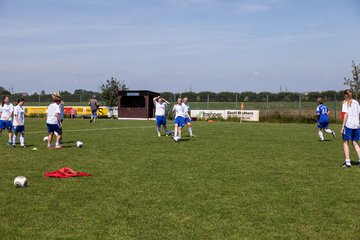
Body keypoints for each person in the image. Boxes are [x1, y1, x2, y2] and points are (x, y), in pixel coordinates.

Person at [341, 89, 360, 168]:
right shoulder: (357, 102)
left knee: (345, 142)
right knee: (355, 142)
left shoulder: (345, 103)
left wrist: (342, 126)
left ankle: (348, 162)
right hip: (357, 124)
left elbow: (346, 114)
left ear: (346, 95)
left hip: (348, 124)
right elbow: (359, 114)